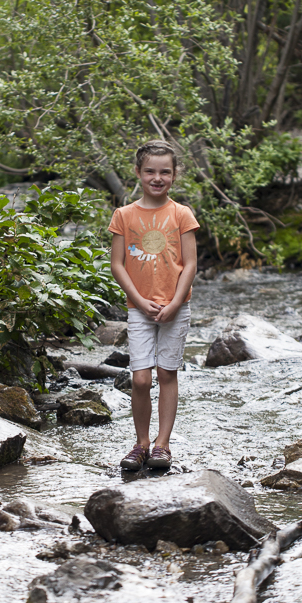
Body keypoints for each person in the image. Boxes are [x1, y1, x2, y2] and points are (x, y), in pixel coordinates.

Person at [108, 140, 199, 470]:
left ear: (174, 175)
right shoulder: (124, 215)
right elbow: (117, 264)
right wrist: (139, 300)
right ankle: (140, 443)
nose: (157, 178)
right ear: (138, 173)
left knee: (167, 373)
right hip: (139, 309)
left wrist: (175, 302)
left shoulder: (181, 214)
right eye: (150, 171)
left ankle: (162, 445)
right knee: (141, 379)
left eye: (165, 172)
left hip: (176, 307)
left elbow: (190, 264)